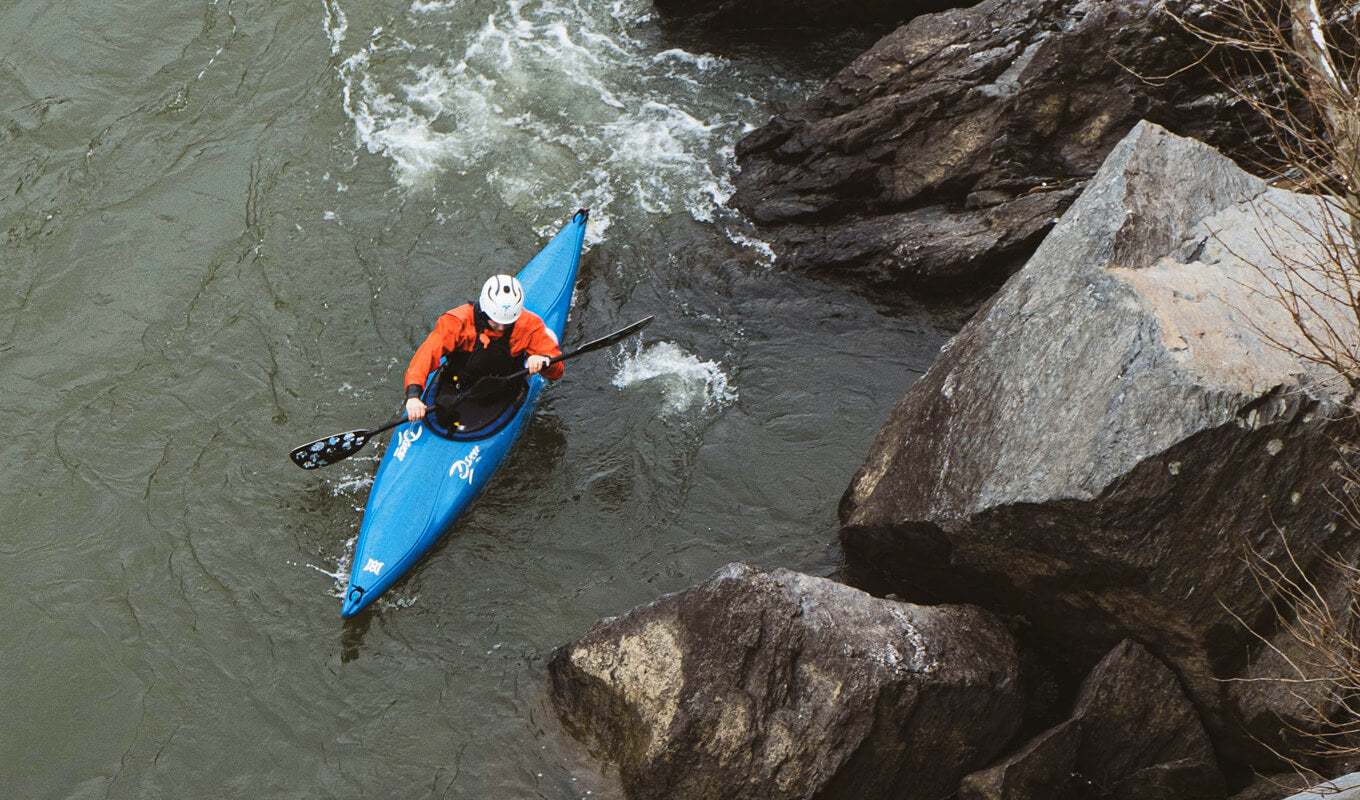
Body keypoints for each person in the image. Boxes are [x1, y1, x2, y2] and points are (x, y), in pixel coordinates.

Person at [403, 274, 564, 425]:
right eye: (496, 322)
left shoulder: (529, 326)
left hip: (503, 389)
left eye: (507, 323)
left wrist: (543, 360)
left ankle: (548, 337)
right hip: (459, 385)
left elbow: (557, 373)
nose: (501, 328)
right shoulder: (456, 322)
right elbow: (426, 355)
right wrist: (413, 396)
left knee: (544, 349)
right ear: (485, 310)